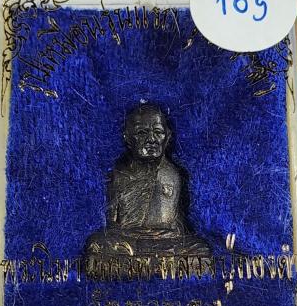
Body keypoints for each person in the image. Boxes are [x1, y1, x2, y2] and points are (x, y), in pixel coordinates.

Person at [85, 103, 211, 259]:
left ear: (168, 136)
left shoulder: (174, 174)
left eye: (158, 132)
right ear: (127, 137)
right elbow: (112, 223)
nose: (151, 139)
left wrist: (171, 234)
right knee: (96, 244)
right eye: (141, 132)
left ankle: (148, 260)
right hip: (128, 241)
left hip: (167, 241)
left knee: (200, 249)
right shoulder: (119, 175)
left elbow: (178, 222)